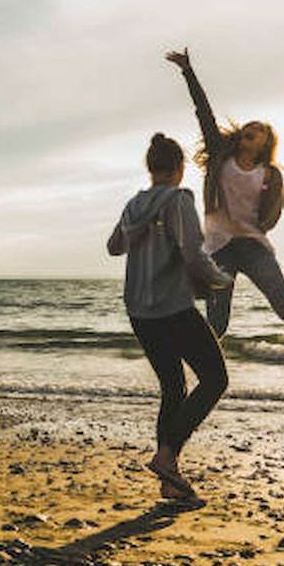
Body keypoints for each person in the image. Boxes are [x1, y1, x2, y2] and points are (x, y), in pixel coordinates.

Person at [165, 48, 284, 357]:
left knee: (277, 291)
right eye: (248, 128)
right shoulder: (220, 158)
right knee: (217, 311)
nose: (249, 131)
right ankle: (206, 357)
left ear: (265, 144)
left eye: (258, 131)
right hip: (218, 247)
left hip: (252, 244)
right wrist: (187, 71)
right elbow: (204, 113)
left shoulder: (269, 175)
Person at [108, 133, 233, 501]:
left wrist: (141, 230)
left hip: (139, 311)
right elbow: (193, 254)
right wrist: (221, 279)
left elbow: (114, 247)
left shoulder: (134, 204)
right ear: (179, 169)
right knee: (215, 378)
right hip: (174, 307)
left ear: (150, 168)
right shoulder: (179, 200)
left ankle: (169, 481)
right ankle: (166, 455)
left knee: (173, 386)